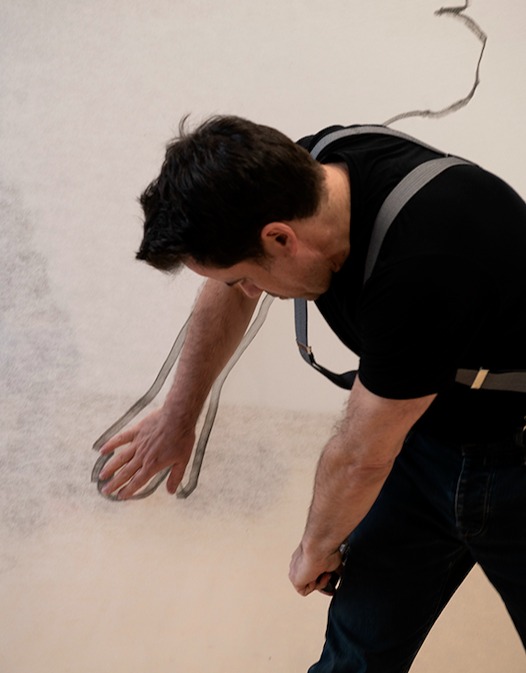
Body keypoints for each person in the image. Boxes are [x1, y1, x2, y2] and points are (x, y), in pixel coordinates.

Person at [97, 115, 526, 671]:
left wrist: (314, 548)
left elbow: (361, 455)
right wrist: (179, 415)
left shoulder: (425, 259)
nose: (247, 290)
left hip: (511, 459)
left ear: (281, 238)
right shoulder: (306, 172)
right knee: (353, 660)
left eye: (246, 276)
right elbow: (228, 290)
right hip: (425, 443)